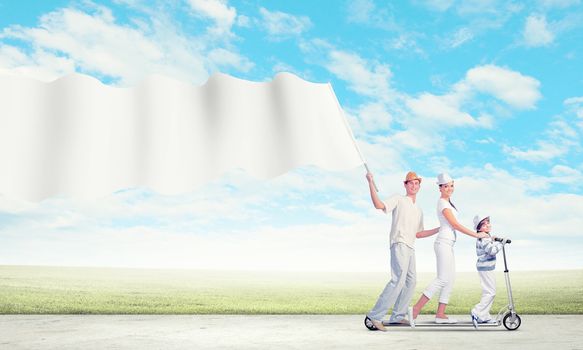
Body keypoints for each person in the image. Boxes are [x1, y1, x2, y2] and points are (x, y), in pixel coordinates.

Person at [364, 171, 439, 331]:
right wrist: (370, 182)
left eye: (416, 183)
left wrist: (439, 229)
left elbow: (419, 233)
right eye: (410, 182)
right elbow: (379, 205)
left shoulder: (418, 210)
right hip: (399, 243)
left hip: (410, 246)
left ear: (419, 186)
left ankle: (398, 316)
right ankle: (374, 316)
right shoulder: (399, 199)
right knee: (398, 280)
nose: (414, 185)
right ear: (405, 185)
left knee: (411, 281)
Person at [411, 173, 488, 324]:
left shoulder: (448, 202)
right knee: (442, 278)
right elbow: (455, 225)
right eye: (446, 186)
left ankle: (440, 314)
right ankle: (415, 309)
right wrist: (477, 235)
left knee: (450, 279)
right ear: (440, 188)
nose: (449, 189)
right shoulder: (443, 203)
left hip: (448, 244)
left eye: (451, 186)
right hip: (443, 243)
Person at [470, 215, 504, 326]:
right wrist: (501, 244)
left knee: (488, 292)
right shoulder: (484, 237)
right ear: (479, 228)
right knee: (490, 292)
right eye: (484, 224)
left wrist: (493, 239)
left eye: (488, 222)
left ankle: (483, 316)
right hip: (485, 267)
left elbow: (489, 245)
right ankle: (477, 312)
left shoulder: (485, 236)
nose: (488, 225)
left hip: (486, 267)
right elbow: (492, 250)